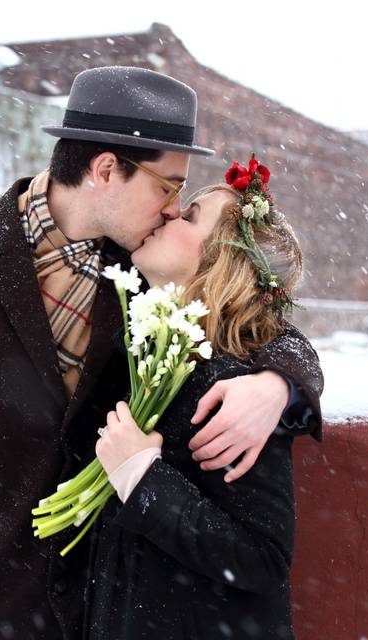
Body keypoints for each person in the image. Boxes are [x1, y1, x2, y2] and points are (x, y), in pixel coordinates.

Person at [0, 66, 323, 640]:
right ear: (107, 169)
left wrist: (277, 384)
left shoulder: (151, 266)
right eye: (167, 185)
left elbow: (255, 319)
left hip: (107, 610)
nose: (173, 208)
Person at [86, 160, 312, 639]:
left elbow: (260, 557)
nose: (169, 214)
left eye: (189, 217)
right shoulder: (152, 345)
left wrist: (144, 479)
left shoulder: (234, 387)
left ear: (221, 260)